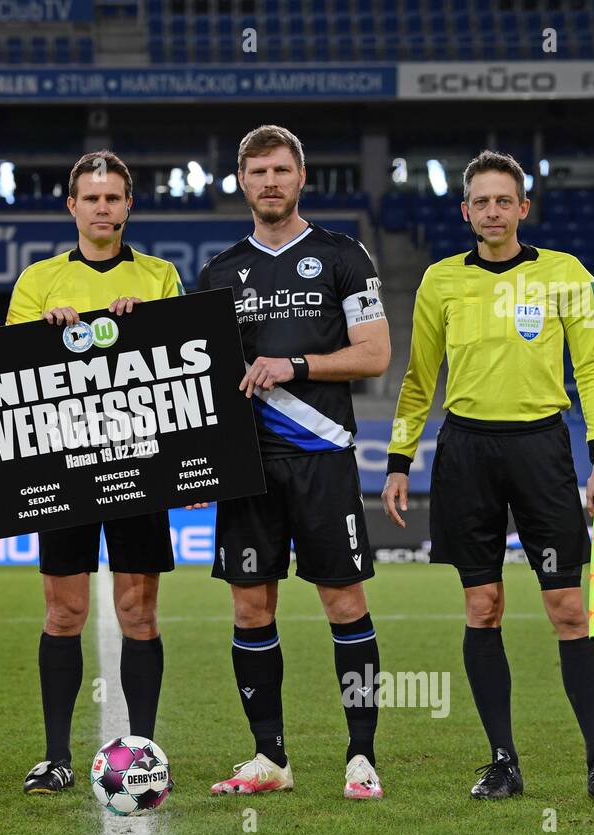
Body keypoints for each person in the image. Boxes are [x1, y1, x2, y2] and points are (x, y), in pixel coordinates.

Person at [381, 149, 594, 804]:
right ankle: (502, 761)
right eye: (481, 202)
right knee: (482, 606)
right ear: (466, 213)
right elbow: (419, 380)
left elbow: (593, 370)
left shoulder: (567, 274)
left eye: (504, 201)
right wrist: (400, 460)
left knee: (568, 608)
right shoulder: (440, 280)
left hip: (540, 450)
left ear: (523, 208)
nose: (492, 211)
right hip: (466, 450)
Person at [196, 126, 392, 799]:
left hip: (322, 457)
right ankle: (269, 759)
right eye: (257, 172)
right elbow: (205, 380)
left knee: (344, 600)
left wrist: (296, 365)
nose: (270, 182)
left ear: (300, 177)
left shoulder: (343, 256)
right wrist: (196, 464)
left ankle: (361, 757)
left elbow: (374, 354)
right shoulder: (219, 271)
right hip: (247, 467)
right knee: (251, 608)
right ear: (243, 183)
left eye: (281, 170)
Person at [5, 150, 184, 794]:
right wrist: (45, 335)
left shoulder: (161, 276)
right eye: (91, 198)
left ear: (128, 206)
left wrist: (153, 325)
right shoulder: (38, 281)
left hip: (139, 463)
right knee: (63, 614)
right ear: (72, 207)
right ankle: (56, 757)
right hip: (65, 462)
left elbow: (187, 364)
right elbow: (13, 377)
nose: (102, 207)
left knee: (139, 614)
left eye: (113, 198)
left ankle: (141, 751)